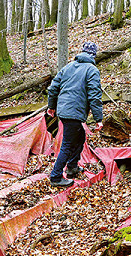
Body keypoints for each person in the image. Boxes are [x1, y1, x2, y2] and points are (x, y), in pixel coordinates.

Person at [46, 41, 103, 187]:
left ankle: (72, 167)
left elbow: (53, 88)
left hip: (64, 110)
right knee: (67, 144)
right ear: (93, 55)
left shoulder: (68, 67)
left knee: (80, 137)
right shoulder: (92, 70)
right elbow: (94, 96)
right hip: (74, 112)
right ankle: (56, 177)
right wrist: (98, 119)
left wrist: (52, 107)